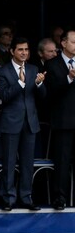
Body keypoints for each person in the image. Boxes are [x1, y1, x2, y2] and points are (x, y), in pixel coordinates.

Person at [0, 37, 46, 211]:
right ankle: (9, 198)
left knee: (27, 162)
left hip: (30, 122)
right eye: (20, 49)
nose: (24, 52)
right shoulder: (3, 71)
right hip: (10, 121)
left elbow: (42, 97)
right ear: (12, 51)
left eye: (26, 49)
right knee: (9, 162)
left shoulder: (33, 69)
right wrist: (20, 82)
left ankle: (26, 197)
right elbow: (5, 96)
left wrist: (39, 84)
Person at [44, 29, 75, 210]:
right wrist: (68, 79)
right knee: (62, 162)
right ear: (63, 43)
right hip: (63, 121)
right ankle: (59, 198)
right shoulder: (52, 64)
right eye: (73, 41)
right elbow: (50, 92)